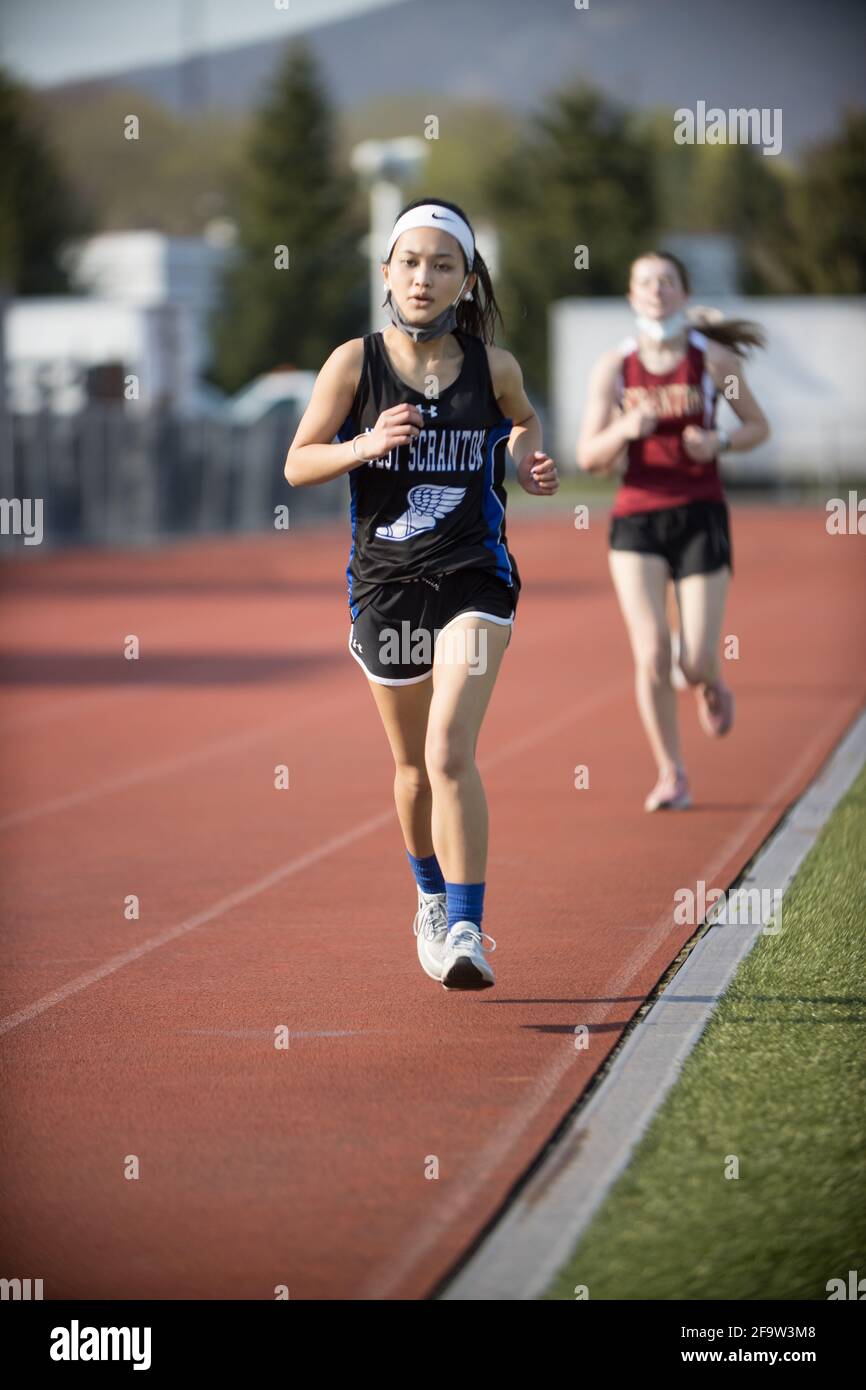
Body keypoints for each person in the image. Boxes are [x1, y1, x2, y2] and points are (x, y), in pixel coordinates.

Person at [285, 198, 558, 987]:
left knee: (448, 751)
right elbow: (299, 461)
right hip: (385, 588)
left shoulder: (491, 367)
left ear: (465, 280)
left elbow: (524, 424)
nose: (424, 277)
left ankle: (468, 929)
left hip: (475, 575)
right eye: (411, 262)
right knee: (411, 769)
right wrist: (364, 444)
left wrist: (530, 462)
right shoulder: (353, 364)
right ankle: (431, 898)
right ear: (388, 273)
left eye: (443, 265)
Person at [576, 251, 770, 810]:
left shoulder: (714, 365)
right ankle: (671, 773)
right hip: (637, 516)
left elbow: (757, 425)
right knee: (654, 653)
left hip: (701, 514)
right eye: (645, 282)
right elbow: (588, 455)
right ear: (632, 297)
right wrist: (622, 429)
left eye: (667, 281)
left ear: (683, 293)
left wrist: (720, 443)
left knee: (693, 660)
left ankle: (712, 680)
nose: (656, 291)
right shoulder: (614, 369)